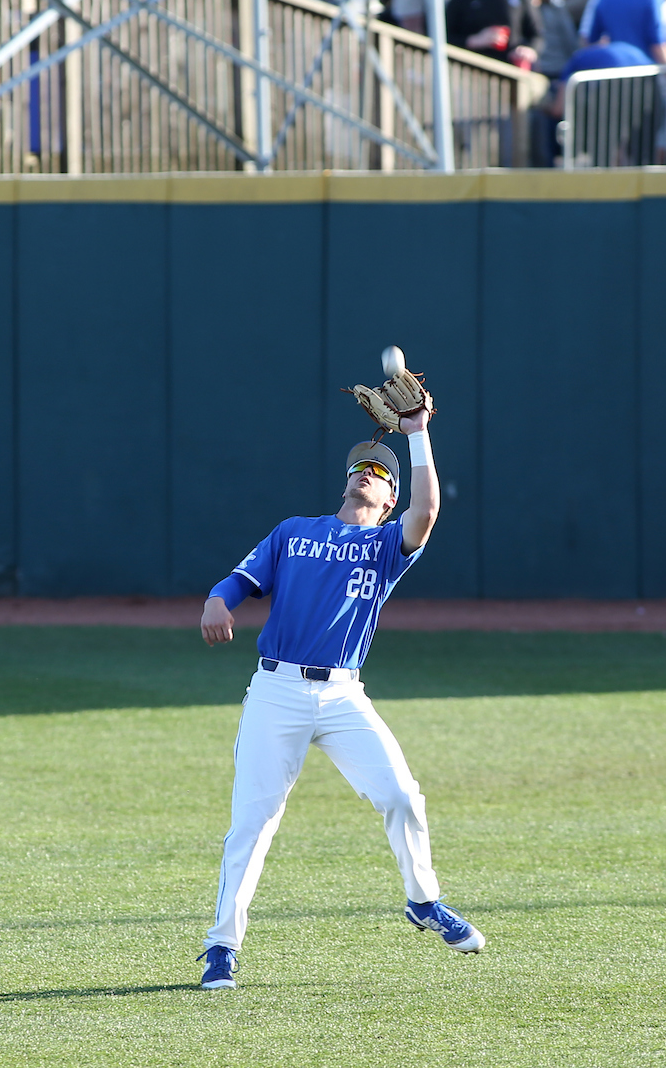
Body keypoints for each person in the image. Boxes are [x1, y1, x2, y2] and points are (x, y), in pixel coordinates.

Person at [196, 409, 485, 989]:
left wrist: (417, 434)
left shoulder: (386, 546)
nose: (367, 472)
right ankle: (222, 948)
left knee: (402, 795)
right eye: (361, 466)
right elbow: (242, 581)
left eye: (379, 471)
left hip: (343, 695)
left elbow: (426, 513)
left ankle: (423, 901)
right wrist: (215, 599)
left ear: (388, 497)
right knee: (252, 822)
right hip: (276, 690)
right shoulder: (294, 531)